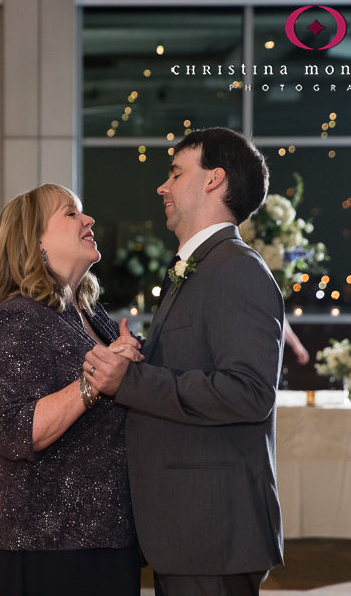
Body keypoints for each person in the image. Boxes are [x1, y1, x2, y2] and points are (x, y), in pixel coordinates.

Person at [85, 128, 285, 596]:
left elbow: (249, 393)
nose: (163, 186)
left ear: (214, 181)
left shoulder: (236, 268)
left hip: (210, 527)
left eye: (176, 173)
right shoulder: (200, 268)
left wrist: (130, 381)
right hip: (188, 527)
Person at [0, 183, 144, 596]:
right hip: (44, 542)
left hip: (102, 534)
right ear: (35, 241)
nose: (88, 220)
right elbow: (15, 432)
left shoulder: (86, 310)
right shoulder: (17, 316)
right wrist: (94, 381)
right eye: (71, 214)